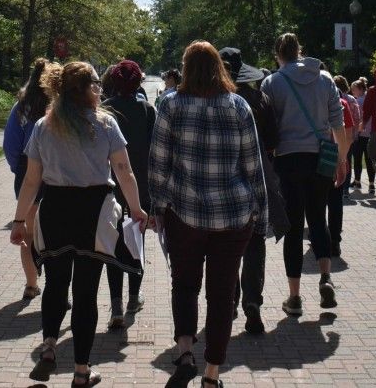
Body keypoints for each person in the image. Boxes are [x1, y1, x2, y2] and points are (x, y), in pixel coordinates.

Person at [11, 61, 146, 388]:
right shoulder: (106, 124)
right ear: (86, 89)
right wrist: (137, 209)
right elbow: (124, 171)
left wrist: (19, 220)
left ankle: (48, 345)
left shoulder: (44, 125)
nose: (100, 89)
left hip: (55, 208)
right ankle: (82, 371)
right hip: (94, 211)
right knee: (86, 293)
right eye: (96, 84)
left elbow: (31, 180)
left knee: (56, 284)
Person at [149, 41, 267, 388]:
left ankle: (185, 351)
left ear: (185, 69)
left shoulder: (170, 105)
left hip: (184, 213)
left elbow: (158, 163)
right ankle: (212, 372)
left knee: (184, 284)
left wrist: (158, 205)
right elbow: (252, 164)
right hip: (233, 216)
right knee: (222, 293)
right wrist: (259, 210)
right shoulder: (239, 106)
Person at [261, 33, 349, 318]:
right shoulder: (325, 79)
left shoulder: (272, 83)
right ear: (299, 51)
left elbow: (270, 126)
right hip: (320, 157)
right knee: (319, 220)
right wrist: (342, 158)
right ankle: (325, 277)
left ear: (278, 55)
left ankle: (295, 296)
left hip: (288, 160)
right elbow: (338, 122)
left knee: (294, 228)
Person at [219, 46, 289, 336]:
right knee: (254, 243)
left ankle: (231, 298)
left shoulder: (218, 102)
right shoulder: (260, 99)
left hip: (224, 183)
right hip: (258, 179)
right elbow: (274, 141)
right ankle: (252, 302)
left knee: (226, 246)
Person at [102, 59, 156, 329]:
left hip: (109, 190)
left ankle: (116, 305)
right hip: (140, 188)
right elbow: (154, 153)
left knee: (112, 247)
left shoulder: (104, 111)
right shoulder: (147, 110)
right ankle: (134, 296)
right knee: (136, 243)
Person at [3, 58, 50, 300]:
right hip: (54, 171)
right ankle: (56, 285)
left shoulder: (21, 108)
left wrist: (17, 168)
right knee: (53, 232)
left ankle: (31, 283)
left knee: (28, 231)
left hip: (26, 169)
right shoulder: (58, 108)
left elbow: (10, 144)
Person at [326, 81, 355, 257]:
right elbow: (350, 134)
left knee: (316, 201)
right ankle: (335, 240)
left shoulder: (313, 102)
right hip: (336, 155)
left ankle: (319, 238)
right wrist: (343, 157)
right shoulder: (342, 104)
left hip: (316, 155)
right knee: (336, 200)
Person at [349, 78, 375, 191]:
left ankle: (357, 181)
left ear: (360, 89)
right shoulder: (371, 99)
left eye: (354, 90)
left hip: (359, 134)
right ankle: (371, 183)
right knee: (369, 160)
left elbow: (356, 118)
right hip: (370, 133)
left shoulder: (357, 101)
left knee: (358, 159)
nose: (352, 92)